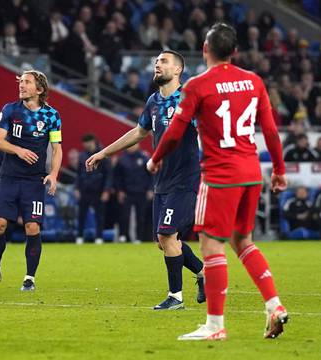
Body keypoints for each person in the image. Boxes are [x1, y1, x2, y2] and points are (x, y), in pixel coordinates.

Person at [146, 23, 288, 340]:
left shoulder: (198, 85)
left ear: (205, 51)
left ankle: (215, 325)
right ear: (235, 52)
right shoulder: (253, 81)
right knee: (243, 241)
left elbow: (175, 130)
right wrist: (279, 170)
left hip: (219, 175)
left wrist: (156, 157)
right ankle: (274, 305)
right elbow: (271, 131)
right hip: (251, 173)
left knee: (211, 244)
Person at [86, 50, 205, 311]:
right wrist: (104, 152)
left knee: (166, 234)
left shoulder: (189, 99)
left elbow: (208, 132)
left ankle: (175, 297)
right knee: (162, 242)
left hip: (185, 179)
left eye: (163, 61)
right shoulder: (153, 101)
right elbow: (139, 132)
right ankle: (202, 271)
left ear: (178, 71)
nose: (157, 65)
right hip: (161, 181)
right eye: (156, 62)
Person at [0, 70, 63, 292]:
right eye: (21, 82)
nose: (22, 85)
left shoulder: (51, 116)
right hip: (9, 177)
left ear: (39, 90)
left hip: (33, 180)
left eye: (27, 82)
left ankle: (29, 278)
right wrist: (18, 150)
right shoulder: (10, 110)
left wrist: (53, 174)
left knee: (32, 226)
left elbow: (57, 149)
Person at [75, 133, 111, 245]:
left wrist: (106, 190)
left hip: (98, 189)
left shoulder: (103, 154)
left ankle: (99, 236)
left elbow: (109, 174)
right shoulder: (82, 156)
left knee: (99, 215)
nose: (86, 145)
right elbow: (79, 173)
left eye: (88, 142)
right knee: (81, 214)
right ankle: (79, 236)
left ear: (93, 141)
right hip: (85, 189)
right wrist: (77, 188)